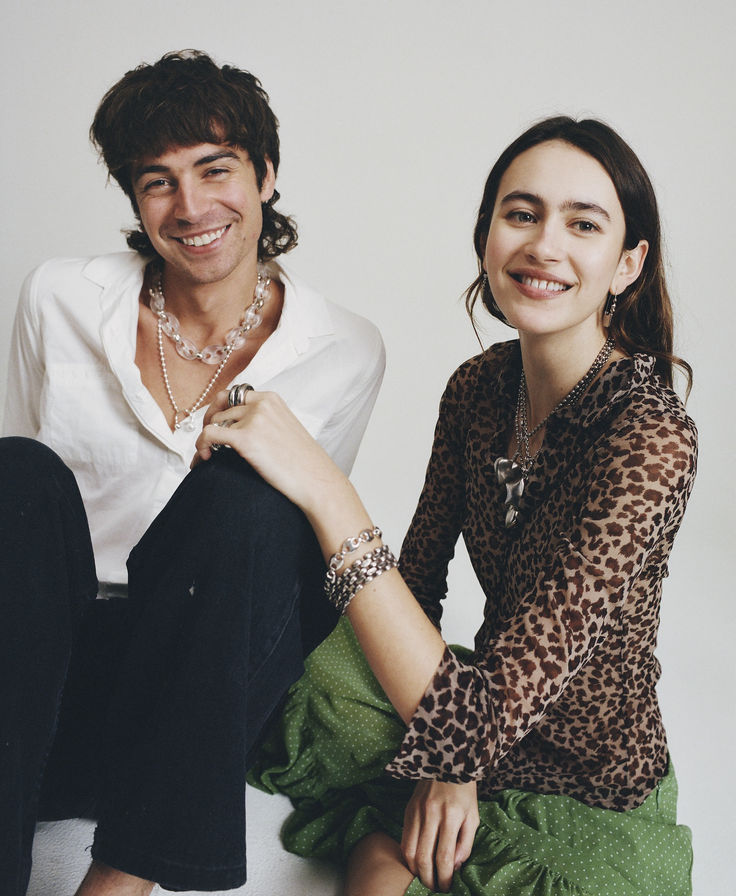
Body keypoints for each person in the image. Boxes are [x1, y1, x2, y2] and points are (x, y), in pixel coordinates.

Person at [193, 116, 698, 896]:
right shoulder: (478, 388)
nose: (543, 245)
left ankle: (399, 823)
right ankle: (398, 819)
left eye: (583, 224)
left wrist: (326, 487)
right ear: (487, 236)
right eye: (521, 214)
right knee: (298, 650)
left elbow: (485, 711)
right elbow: (415, 588)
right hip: (467, 709)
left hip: (584, 785)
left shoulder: (651, 437)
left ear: (628, 264)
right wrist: (446, 756)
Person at [0, 50, 384, 896]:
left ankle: (120, 881)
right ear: (134, 200)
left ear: (267, 176)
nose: (192, 207)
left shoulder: (343, 348)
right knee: (18, 474)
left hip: (203, 679)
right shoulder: (57, 298)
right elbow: (29, 533)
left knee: (251, 502)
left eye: (217, 171)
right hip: (59, 675)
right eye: (158, 182)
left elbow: (284, 563)